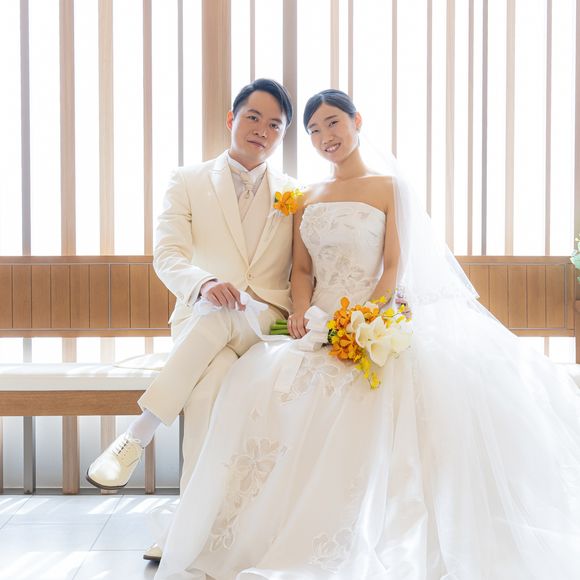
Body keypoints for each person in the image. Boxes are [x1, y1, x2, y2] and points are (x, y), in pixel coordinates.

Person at [155, 89, 580, 579]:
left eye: (333, 123)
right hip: (317, 327)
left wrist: (366, 320)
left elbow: (394, 265)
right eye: (314, 130)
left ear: (357, 121)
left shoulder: (390, 188)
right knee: (259, 385)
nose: (325, 136)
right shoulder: (305, 196)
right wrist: (301, 313)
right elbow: (301, 270)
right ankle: (221, 523)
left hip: (372, 321)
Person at [85, 78, 297, 559]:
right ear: (231, 119)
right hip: (204, 321)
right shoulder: (187, 180)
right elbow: (167, 255)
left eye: (274, 125)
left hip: (268, 325)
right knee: (204, 394)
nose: (262, 130)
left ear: (282, 135)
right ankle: (188, 532)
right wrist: (204, 283)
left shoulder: (294, 194)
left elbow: (306, 267)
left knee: (224, 317)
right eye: (253, 117)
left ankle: (137, 434)